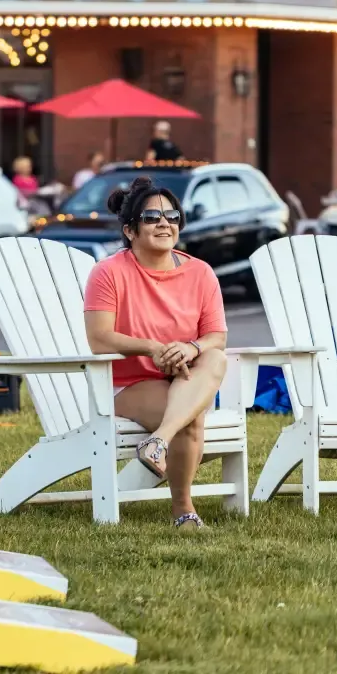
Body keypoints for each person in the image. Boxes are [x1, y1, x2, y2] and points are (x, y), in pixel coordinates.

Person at [82, 175, 227, 529]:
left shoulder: (200, 273)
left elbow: (216, 337)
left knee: (216, 357)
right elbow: (99, 339)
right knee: (190, 418)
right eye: (151, 218)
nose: (164, 223)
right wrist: (152, 348)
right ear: (131, 230)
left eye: (172, 216)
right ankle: (184, 509)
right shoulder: (108, 273)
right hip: (124, 384)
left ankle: (156, 441)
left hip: (184, 375)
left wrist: (189, 348)